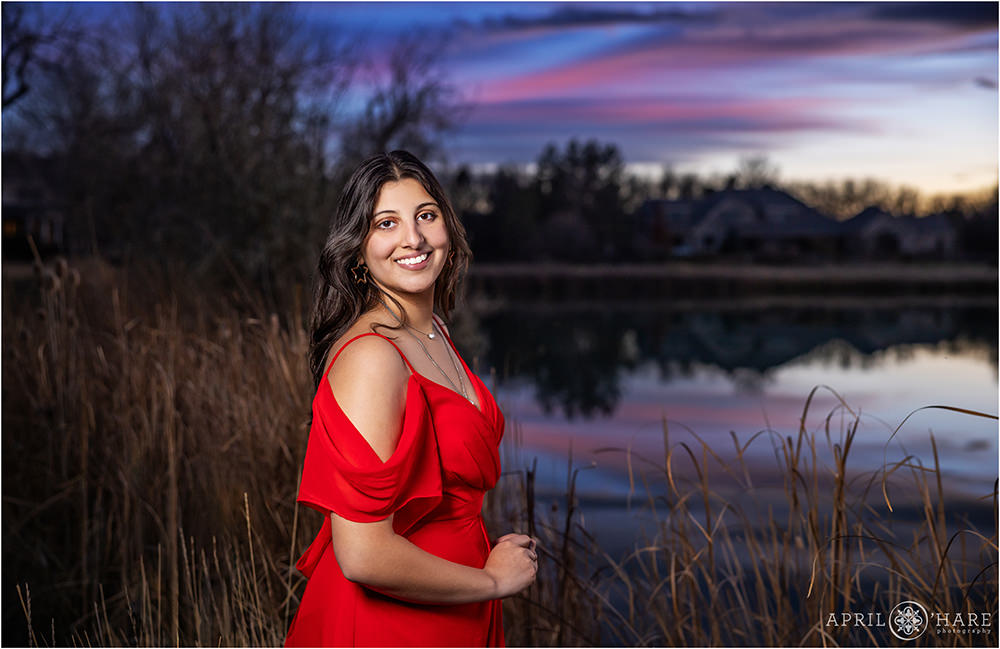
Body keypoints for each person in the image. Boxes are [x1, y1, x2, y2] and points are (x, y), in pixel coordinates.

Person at [284, 151, 537, 647]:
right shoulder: (373, 356)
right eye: (386, 223)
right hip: (393, 625)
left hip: (452, 605)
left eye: (426, 215)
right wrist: (493, 582)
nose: (414, 239)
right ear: (357, 249)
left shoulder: (432, 330)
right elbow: (362, 554)